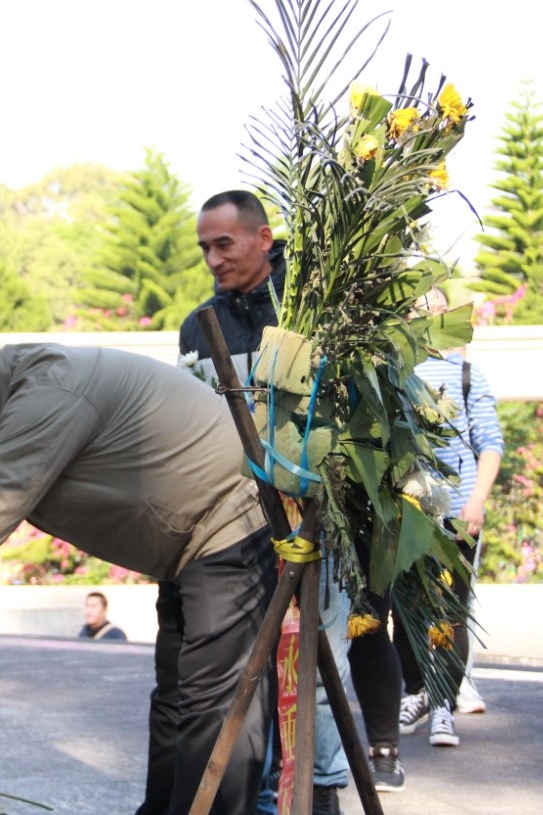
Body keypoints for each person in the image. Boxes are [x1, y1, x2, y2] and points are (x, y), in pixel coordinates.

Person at [0, 342, 277, 814]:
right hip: (191, 546)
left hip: (233, 522)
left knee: (214, 710)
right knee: (177, 700)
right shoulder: (3, 403)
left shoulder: (46, 393)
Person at [178, 189, 352, 815]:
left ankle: (319, 793)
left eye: (223, 244)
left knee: (316, 670)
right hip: (234, 524)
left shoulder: (311, 307)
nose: (213, 259)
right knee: (245, 674)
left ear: (263, 239)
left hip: (313, 519)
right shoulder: (199, 324)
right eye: (204, 247)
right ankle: (251, 798)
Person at [395, 288, 504, 748]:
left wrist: (475, 502)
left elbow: (490, 443)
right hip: (404, 513)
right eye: (420, 309)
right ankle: (418, 691)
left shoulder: (467, 375)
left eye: (438, 307)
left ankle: (444, 705)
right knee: (405, 613)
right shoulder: (393, 373)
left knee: (452, 612)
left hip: (457, 513)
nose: (431, 315)